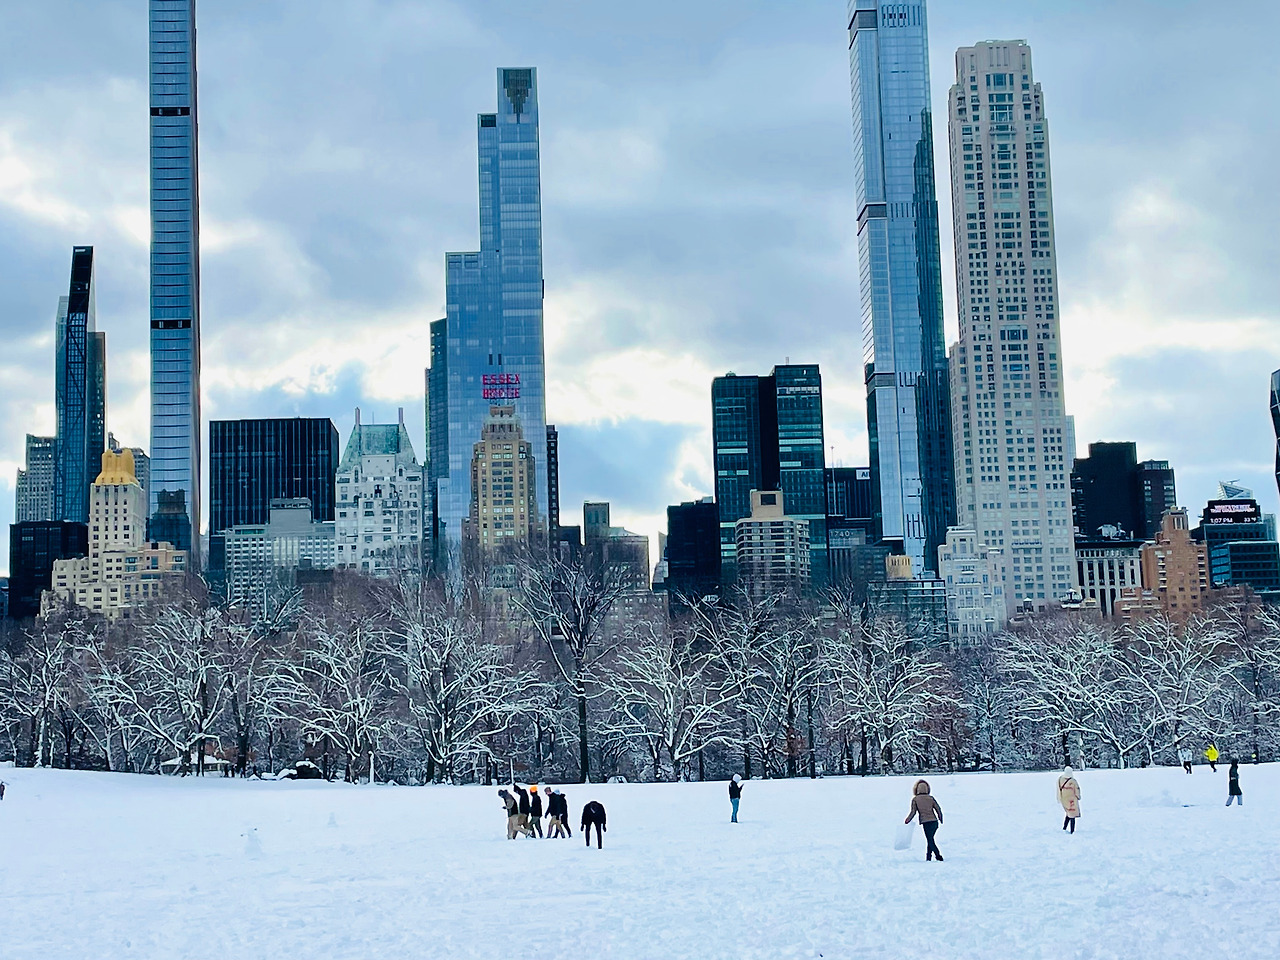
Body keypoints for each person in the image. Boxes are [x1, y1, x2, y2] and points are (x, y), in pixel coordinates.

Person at [904, 779, 944, 862]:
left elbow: (913, 812)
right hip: (934, 822)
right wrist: (940, 818)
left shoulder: (915, 799)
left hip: (926, 822)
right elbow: (938, 809)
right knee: (930, 839)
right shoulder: (931, 798)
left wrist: (908, 819)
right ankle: (928, 857)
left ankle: (938, 856)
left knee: (930, 840)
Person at [1057, 766, 1081, 834]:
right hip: (1072, 800)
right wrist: (1078, 797)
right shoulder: (1073, 781)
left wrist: (1059, 798)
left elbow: (1058, 789)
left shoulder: (1060, 779)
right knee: (1072, 814)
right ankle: (1072, 830)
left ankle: (1064, 828)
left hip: (1064, 799)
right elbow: (1077, 790)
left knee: (1068, 813)